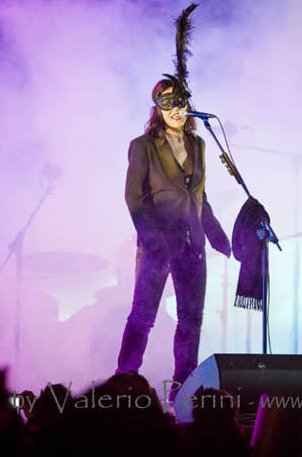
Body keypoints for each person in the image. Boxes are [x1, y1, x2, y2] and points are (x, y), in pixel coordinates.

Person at [116, 78, 232, 400]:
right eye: (167, 104)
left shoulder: (199, 146)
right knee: (143, 316)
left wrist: (217, 234)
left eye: (179, 102)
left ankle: (182, 394)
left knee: (191, 322)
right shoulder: (143, 146)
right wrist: (154, 241)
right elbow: (134, 198)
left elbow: (199, 197)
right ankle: (124, 381)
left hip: (192, 245)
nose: (176, 110)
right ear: (158, 109)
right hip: (157, 245)